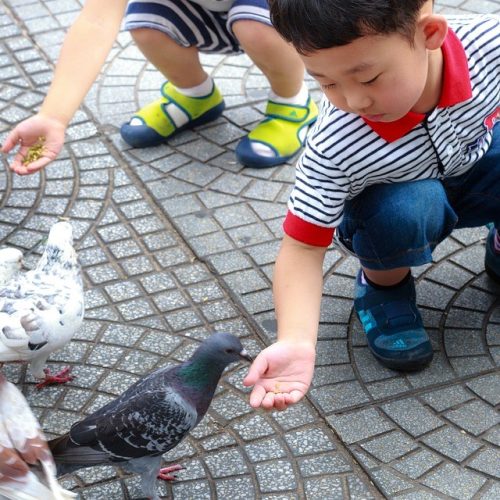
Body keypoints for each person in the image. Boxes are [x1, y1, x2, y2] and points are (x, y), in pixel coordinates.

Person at [243, 0, 499, 411]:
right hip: (391, 201)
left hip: (471, 161)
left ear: (429, 35)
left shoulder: (488, 47)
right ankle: (384, 288)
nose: (353, 101)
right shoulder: (336, 142)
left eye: (369, 77)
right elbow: (303, 246)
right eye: (326, 83)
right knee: (406, 206)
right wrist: (294, 339)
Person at [1, 0, 318, 173]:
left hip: (274, 13)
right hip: (203, 9)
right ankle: (196, 95)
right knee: (146, 19)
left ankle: (292, 101)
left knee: (255, 25)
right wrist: (54, 116)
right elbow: (96, 21)